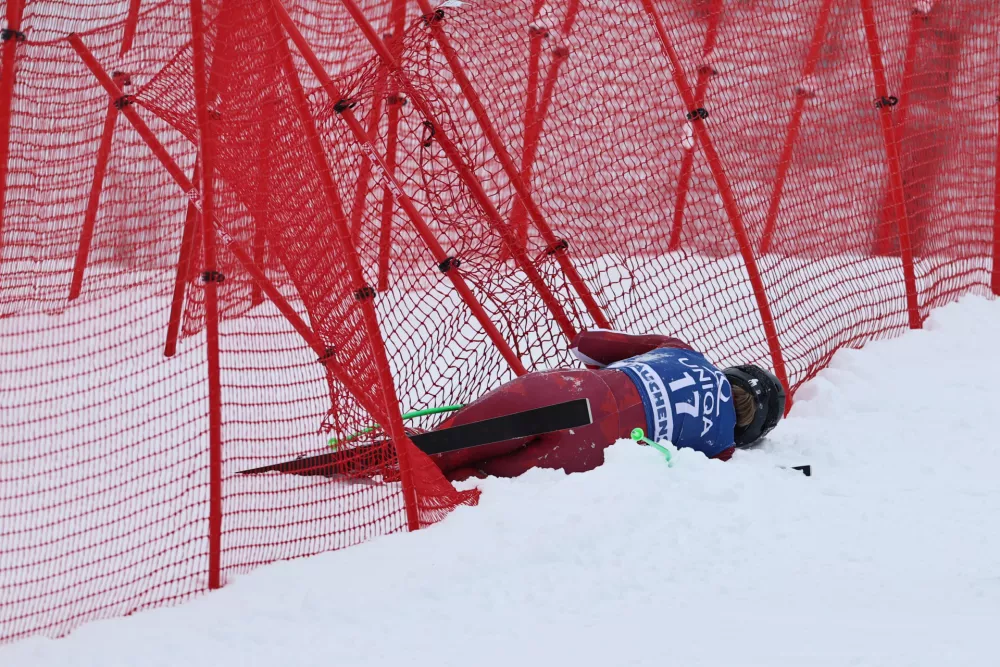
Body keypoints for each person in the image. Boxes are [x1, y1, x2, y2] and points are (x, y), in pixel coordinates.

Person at [430, 329, 786, 481]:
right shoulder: (721, 449)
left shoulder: (683, 351)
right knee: (460, 481)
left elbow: (585, 343)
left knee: (429, 451)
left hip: (562, 392)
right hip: (584, 450)